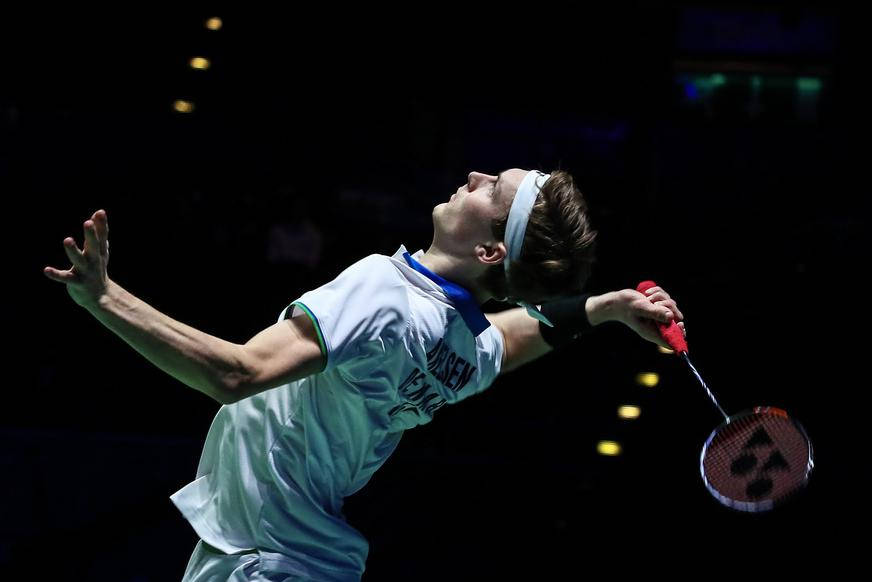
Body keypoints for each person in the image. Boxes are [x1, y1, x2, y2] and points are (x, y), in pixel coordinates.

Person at [43, 168, 685, 581]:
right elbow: (509, 342)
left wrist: (105, 299)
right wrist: (603, 308)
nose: (474, 175)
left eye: (492, 189)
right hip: (304, 560)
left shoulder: (386, 290)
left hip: (263, 560)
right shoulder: (461, 344)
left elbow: (237, 375)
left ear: (490, 250)